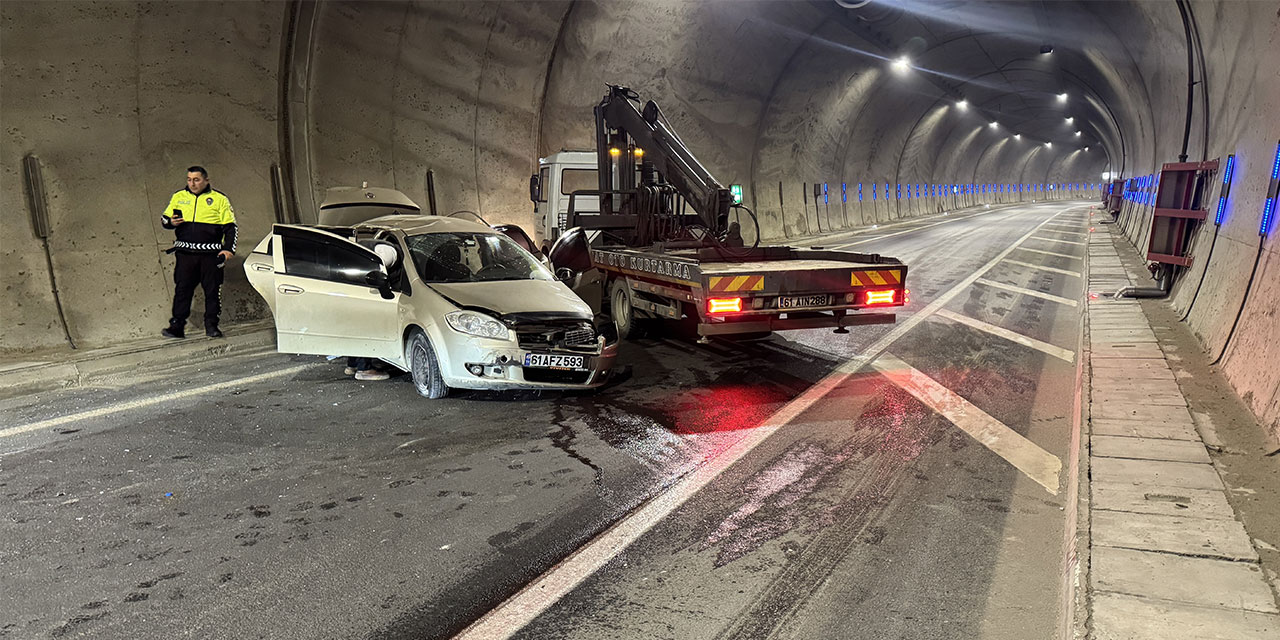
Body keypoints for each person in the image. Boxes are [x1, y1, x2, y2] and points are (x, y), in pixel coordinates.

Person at [160, 166, 236, 338]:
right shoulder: (179, 197)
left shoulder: (219, 199)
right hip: (185, 254)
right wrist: (171, 222)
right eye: (189, 179)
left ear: (206, 180)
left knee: (212, 291)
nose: (192, 183)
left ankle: (211, 326)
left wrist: (228, 249)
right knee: (182, 290)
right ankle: (177, 327)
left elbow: (231, 228)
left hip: (210, 255)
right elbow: (164, 220)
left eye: (196, 179)